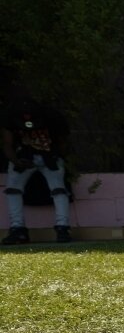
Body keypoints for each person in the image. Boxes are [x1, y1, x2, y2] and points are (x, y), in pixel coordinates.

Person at [3, 97, 72, 244]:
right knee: (57, 190)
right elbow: (7, 143)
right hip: (26, 156)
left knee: (58, 190)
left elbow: (62, 141)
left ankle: (61, 229)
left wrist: (57, 156)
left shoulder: (52, 117)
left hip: (48, 156)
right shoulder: (11, 117)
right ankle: (60, 228)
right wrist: (16, 161)